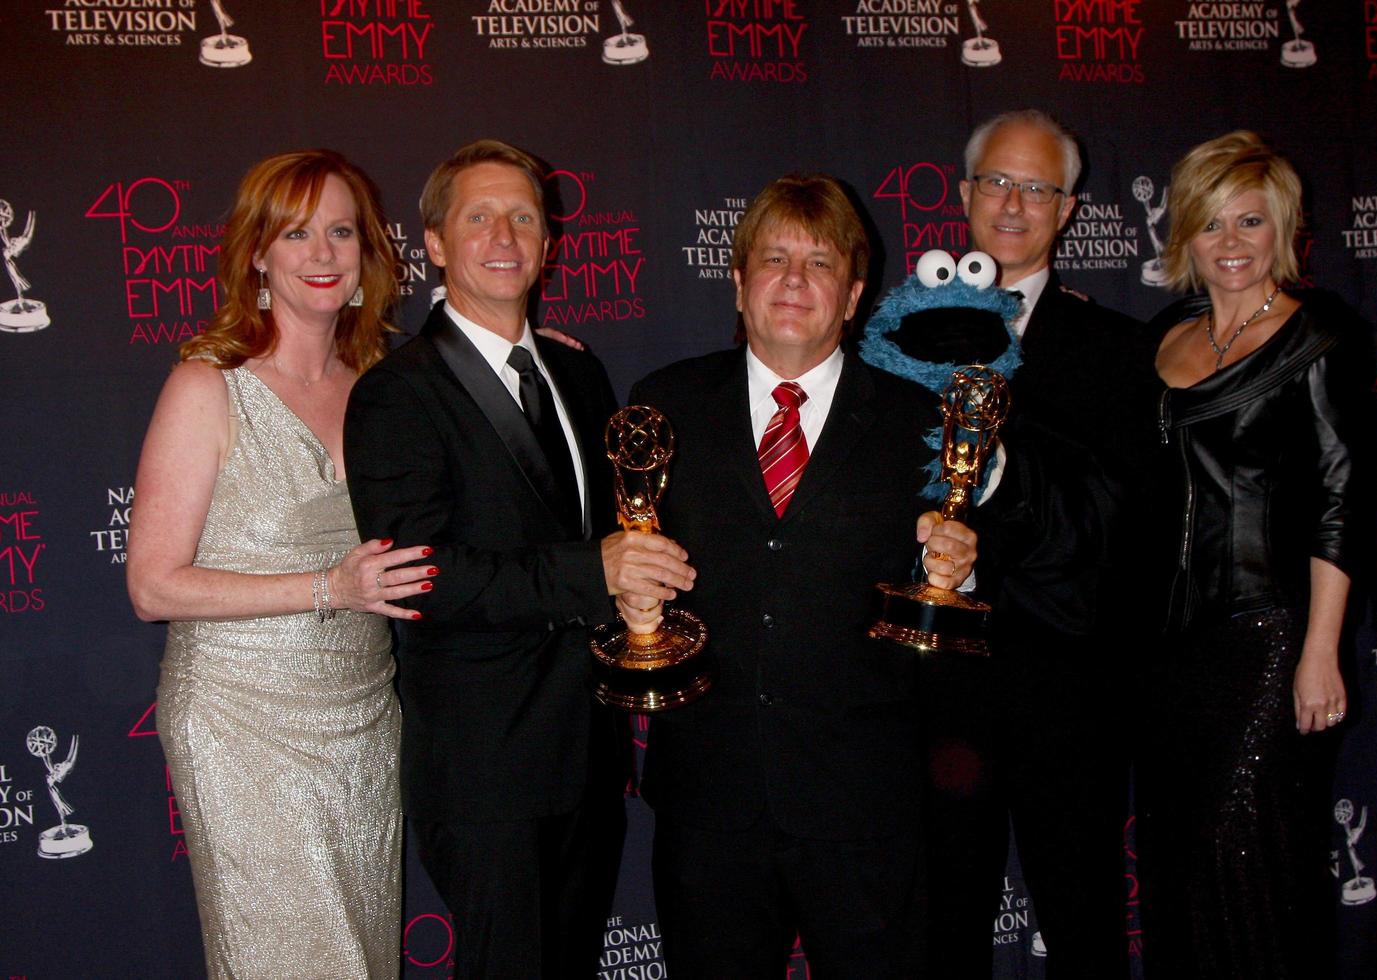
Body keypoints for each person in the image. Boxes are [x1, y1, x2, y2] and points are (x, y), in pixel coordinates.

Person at [342, 139, 694, 979]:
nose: (504, 234)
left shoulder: (578, 373)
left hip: (591, 750)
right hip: (486, 769)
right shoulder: (397, 393)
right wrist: (594, 573)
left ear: (547, 242)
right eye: (478, 216)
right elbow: (424, 576)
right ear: (433, 242)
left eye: (524, 217)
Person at [616, 173, 979, 977]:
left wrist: (957, 568)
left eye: (818, 264)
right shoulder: (661, 407)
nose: (792, 280)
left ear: (852, 296)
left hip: (866, 803)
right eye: (774, 258)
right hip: (710, 800)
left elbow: (950, 604)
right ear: (739, 282)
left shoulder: (921, 423)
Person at [126, 149, 435, 978]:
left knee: (365, 960)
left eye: (341, 231)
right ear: (258, 253)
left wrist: (526, 352)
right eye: (297, 232)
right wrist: (330, 587)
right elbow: (153, 586)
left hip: (366, 719)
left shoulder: (383, 386)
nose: (324, 253)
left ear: (369, 253)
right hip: (242, 721)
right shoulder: (208, 386)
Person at [923, 109, 1159, 978]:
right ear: (964, 194)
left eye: (1037, 187)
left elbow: (1116, 528)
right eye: (997, 182)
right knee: (942, 924)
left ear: (1067, 211)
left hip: (1068, 692)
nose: (1013, 204)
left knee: (1083, 917)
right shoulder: (893, 333)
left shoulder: (1122, 351)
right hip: (934, 693)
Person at [1137, 130, 1364, 978]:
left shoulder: (1321, 337)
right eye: (1210, 225)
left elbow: (1343, 501)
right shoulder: (1162, 337)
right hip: (1165, 655)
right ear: (1184, 235)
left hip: (1269, 637)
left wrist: (1318, 651)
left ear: (1283, 230)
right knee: (1177, 863)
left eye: (1250, 223)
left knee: (1246, 860)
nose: (1230, 245)